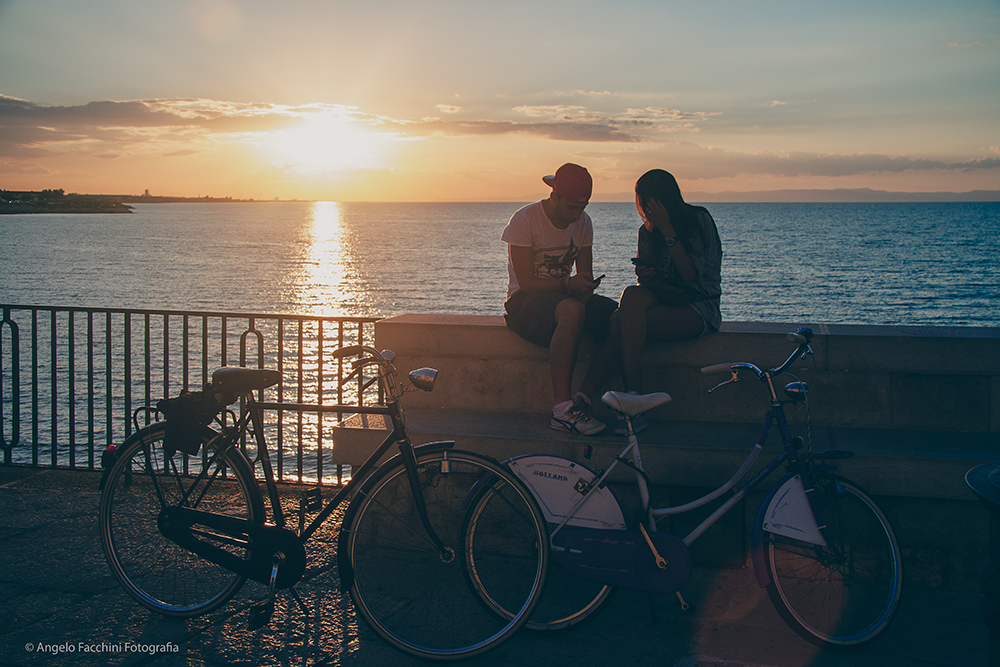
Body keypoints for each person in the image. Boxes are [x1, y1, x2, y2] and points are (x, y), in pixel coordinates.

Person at [501, 163, 618, 435]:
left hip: (566, 298)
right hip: (524, 301)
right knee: (572, 310)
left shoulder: (583, 223)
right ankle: (561, 410)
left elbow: (585, 274)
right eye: (572, 208)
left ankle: (583, 399)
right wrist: (568, 286)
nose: (578, 216)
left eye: (583, 208)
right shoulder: (524, 219)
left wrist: (586, 288)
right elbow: (527, 282)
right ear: (554, 196)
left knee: (620, 317)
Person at [611, 169, 722, 434]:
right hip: (664, 299)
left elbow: (690, 275)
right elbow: (646, 288)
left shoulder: (698, 221)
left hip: (698, 305)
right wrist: (646, 275)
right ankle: (634, 396)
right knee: (630, 298)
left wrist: (668, 229)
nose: (645, 211)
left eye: (649, 204)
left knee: (619, 322)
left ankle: (632, 404)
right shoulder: (646, 231)